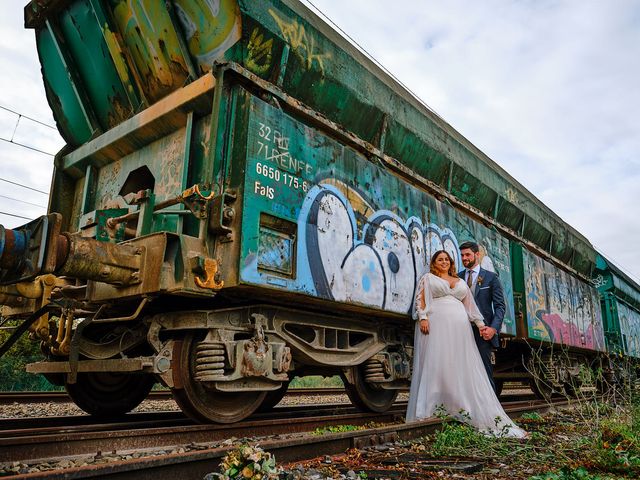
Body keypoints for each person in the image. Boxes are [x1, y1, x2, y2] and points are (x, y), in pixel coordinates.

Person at [406, 250, 526, 438]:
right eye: (440, 259)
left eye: (447, 259)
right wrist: (422, 317)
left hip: (460, 330)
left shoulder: (461, 282)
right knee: (437, 364)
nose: (444, 262)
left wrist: (480, 325)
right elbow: (420, 300)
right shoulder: (428, 278)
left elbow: (471, 306)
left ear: (451, 263)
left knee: (458, 365)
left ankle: (458, 406)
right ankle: (431, 408)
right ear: (434, 263)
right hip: (437, 325)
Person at [458, 241, 506, 393]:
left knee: (484, 371)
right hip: (461, 331)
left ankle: (491, 413)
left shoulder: (491, 278)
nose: (464, 258)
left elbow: (500, 307)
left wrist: (493, 329)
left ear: (477, 255)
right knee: (462, 371)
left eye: (467, 255)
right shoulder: (457, 278)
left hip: (483, 332)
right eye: (462, 255)